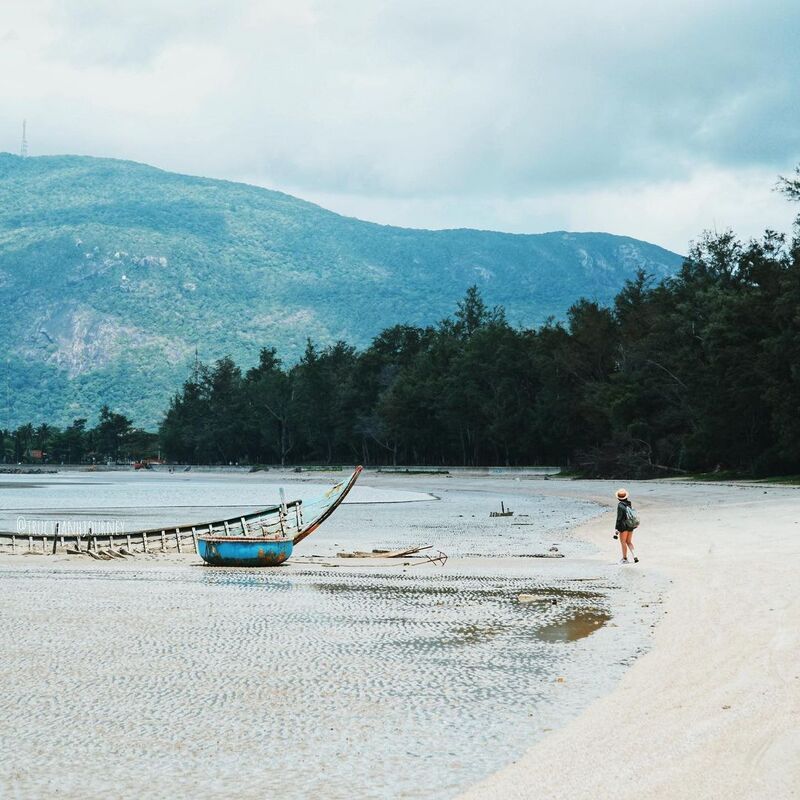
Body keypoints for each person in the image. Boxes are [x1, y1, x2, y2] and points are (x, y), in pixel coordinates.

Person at [614, 488, 638, 564]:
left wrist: (616, 528)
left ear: (618, 498)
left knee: (623, 542)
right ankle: (635, 556)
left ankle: (625, 559)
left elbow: (619, 518)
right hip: (630, 525)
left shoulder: (620, 505)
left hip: (623, 526)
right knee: (629, 542)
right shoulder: (629, 504)